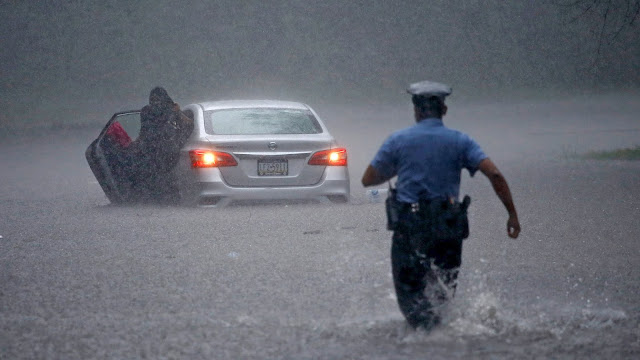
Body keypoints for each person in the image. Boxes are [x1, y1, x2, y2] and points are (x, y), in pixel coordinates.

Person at [361, 80, 521, 330]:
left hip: (410, 228)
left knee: (412, 301)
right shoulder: (461, 141)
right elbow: (496, 175)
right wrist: (512, 215)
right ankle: (443, 343)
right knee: (443, 296)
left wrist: (398, 168)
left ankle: (420, 345)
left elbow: (368, 179)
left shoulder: (398, 140)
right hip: (448, 228)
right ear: (443, 110)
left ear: (416, 111)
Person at [128, 87, 194, 204]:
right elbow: (188, 124)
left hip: (158, 151)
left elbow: (143, 131)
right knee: (162, 177)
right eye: (153, 99)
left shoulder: (151, 110)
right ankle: (166, 199)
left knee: (158, 177)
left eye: (157, 99)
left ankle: (159, 199)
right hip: (160, 150)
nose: (155, 102)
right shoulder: (160, 110)